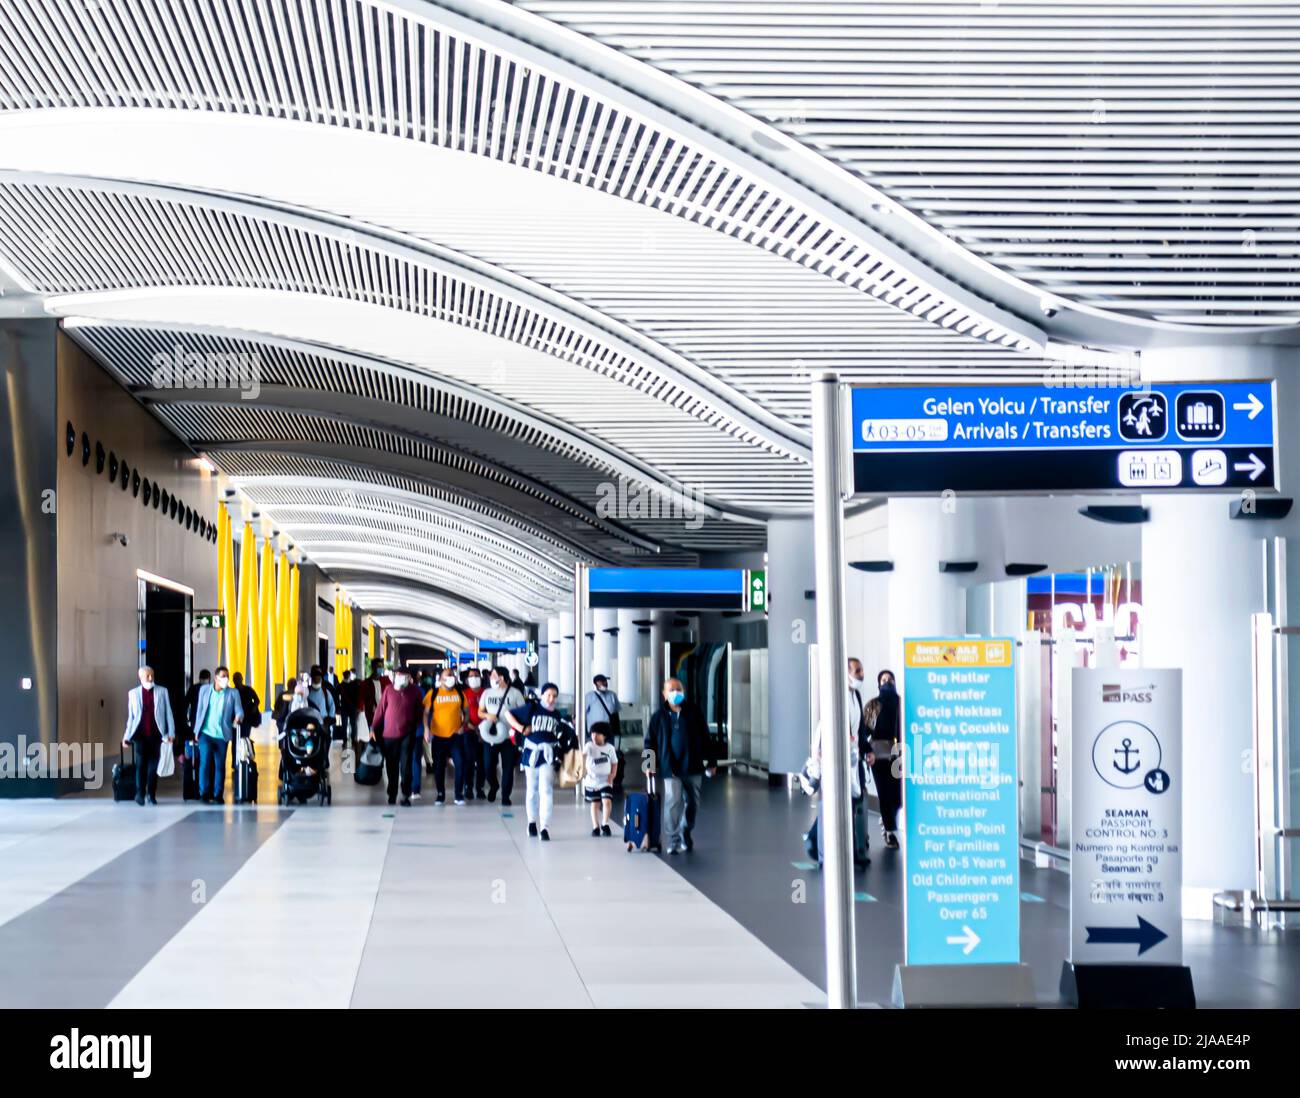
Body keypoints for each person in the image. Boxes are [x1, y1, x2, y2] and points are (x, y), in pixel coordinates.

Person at [802, 669, 870, 868]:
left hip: (852, 761)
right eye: (856, 671)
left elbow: (860, 729)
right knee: (832, 808)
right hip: (835, 763)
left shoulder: (855, 696)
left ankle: (853, 852)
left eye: (861, 670)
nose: (860, 675)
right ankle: (823, 853)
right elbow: (823, 733)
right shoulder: (835, 697)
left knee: (850, 805)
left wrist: (865, 749)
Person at [644, 678, 717, 855]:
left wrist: (712, 761)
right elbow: (649, 742)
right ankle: (673, 839)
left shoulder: (694, 713)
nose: (675, 692)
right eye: (671, 689)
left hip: (693, 766)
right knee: (672, 803)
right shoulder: (658, 717)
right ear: (664, 694)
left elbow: (706, 738)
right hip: (670, 769)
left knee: (693, 804)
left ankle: (686, 831)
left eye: (678, 689)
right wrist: (649, 764)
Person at [506, 682, 564, 840]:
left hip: (548, 754)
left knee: (546, 790)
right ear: (542, 695)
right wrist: (521, 728)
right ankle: (531, 821)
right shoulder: (532, 708)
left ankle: (545, 826)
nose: (551, 699)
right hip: (531, 752)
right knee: (532, 789)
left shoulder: (557, 715)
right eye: (548, 695)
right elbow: (508, 714)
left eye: (554, 696)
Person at [122, 665, 176, 805]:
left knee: (153, 767)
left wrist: (171, 733)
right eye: (147, 676)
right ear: (140, 678)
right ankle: (140, 793)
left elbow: (168, 714)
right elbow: (131, 718)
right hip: (140, 736)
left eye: (152, 675)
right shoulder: (133, 694)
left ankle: (151, 794)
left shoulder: (162, 691)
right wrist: (126, 737)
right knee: (141, 765)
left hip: (157, 735)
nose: (151, 678)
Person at [370, 667, 423, 806]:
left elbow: (419, 711)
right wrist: (373, 727)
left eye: (402, 675)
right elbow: (380, 710)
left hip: (408, 733)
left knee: (406, 766)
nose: (399, 677)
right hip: (389, 735)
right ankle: (392, 794)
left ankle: (405, 794)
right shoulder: (388, 690)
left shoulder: (415, 691)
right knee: (391, 766)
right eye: (397, 675)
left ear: (408, 677)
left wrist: (415, 726)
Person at [192, 665, 242, 803]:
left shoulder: (233, 693)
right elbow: (199, 711)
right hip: (205, 733)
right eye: (223, 676)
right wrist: (196, 731)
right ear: (216, 678)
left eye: (227, 676)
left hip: (222, 735)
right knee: (205, 761)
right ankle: (204, 792)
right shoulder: (204, 690)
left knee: (220, 765)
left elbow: (239, 709)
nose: (226, 679)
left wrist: (238, 716)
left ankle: (218, 794)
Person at [865, 669, 902, 849]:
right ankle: (889, 831)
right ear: (879, 684)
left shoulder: (901, 703)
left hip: (899, 753)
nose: (887, 682)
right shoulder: (873, 705)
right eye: (883, 680)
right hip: (879, 754)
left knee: (898, 795)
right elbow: (865, 730)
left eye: (890, 679)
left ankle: (888, 820)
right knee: (885, 793)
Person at [477, 666, 525, 804]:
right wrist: (488, 715)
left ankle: (505, 796)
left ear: (502, 677)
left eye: (493, 676)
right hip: (491, 734)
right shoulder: (487, 693)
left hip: (509, 736)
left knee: (508, 767)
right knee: (488, 765)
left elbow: (522, 712)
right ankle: (494, 785)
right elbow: (480, 712)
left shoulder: (515, 693)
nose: (491, 678)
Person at [424, 668, 468, 804]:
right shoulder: (433, 693)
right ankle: (440, 793)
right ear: (440, 679)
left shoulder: (459, 693)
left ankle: (458, 794)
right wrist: (426, 728)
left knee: (460, 764)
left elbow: (466, 712)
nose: (451, 678)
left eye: (453, 675)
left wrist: (463, 725)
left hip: (456, 735)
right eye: (448, 675)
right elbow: (425, 713)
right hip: (438, 735)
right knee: (438, 766)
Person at [582, 721, 619, 836]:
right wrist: (582, 768)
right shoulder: (589, 746)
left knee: (607, 801)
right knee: (595, 803)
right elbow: (583, 755)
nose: (594, 736)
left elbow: (614, 763)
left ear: (604, 735)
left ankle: (605, 823)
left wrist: (612, 775)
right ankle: (595, 826)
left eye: (597, 734)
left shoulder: (610, 748)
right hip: (592, 781)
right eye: (592, 733)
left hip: (606, 780)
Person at [463, 667, 485, 799]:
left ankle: (480, 788)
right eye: (471, 676)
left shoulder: (486, 693)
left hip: (485, 732)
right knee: (469, 761)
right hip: (468, 731)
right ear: (467, 680)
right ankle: (468, 787)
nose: (474, 678)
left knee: (483, 762)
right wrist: (473, 727)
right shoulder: (464, 694)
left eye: (476, 675)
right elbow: (462, 714)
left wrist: (482, 730)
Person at [584, 674, 621, 741]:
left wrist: (617, 729)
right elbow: (583, 713)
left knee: (609, 749)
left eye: (605, 681)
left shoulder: (612, 695)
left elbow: (616, 713)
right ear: (596, 683)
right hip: (594, 732)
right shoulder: (589, 696)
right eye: (602, 681)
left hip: (609, 732)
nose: (605, 683)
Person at [362, 658, 392, 731]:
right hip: (372, 715)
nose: (380, 668)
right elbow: (362, 699)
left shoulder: (386, 681)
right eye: (378, 666)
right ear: (373, 667)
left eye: (381, 666)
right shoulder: (366, 683)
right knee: (374, 737)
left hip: (385, 714)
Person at [183, 669, 210, 737]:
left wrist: (185, 717)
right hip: (207, 717)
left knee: (196, 736)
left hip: (195, 717)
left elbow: (186, 703)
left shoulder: (194, 688)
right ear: (209, 678)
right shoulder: (211, 688)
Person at [338, 669, 361, 742]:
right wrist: (357, 707)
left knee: (345, 725)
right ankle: (353, 740)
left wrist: (338, 707)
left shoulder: (340, 685)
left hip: (345, 708)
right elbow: (358, 696)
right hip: (352, 708)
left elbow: (336, 698)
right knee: (352, 725)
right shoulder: (354, 684)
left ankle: (345, 741)